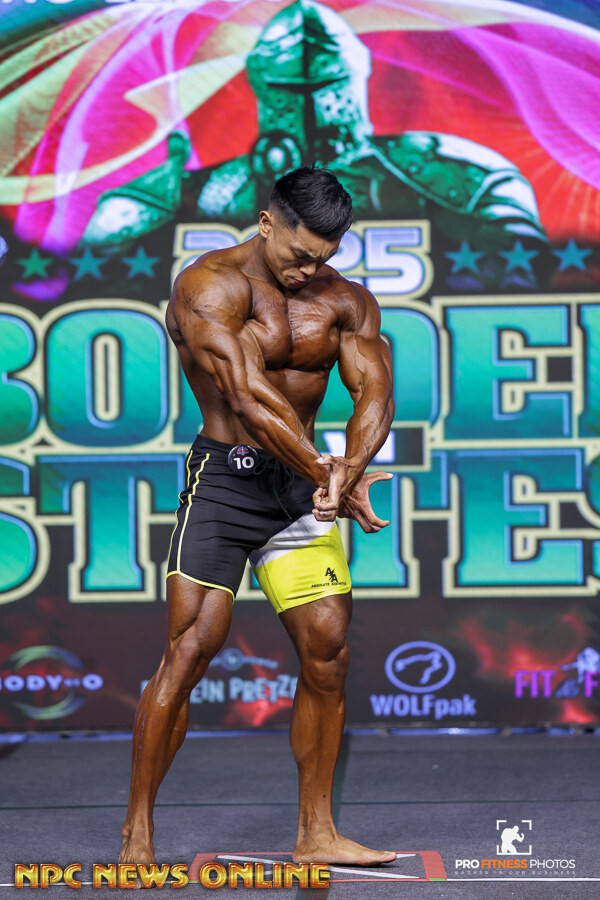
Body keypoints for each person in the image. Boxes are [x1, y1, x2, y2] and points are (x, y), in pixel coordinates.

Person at [119, 165, 396, 871]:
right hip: (224, 485)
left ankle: (317, 832)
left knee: (328, 651)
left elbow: (375, 391)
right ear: (267, 222)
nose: (308, 271)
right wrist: (327, 475)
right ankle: (137, 831)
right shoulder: (210, 286)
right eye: (298, 255)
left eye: (323, 258)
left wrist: (349, 469)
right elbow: (246, 397)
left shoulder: (346, 301)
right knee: (190, 650)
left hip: (300, 492)